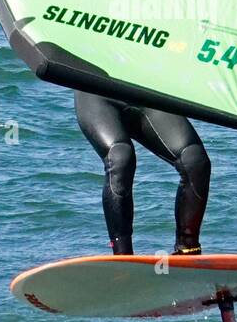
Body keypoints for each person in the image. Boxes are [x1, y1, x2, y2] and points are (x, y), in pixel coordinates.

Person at [74, 91, 211, 256]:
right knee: (121, 157)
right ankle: (124, 259)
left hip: (144, 90)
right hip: (95, 91)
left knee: (194, 161)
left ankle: (188, 252)